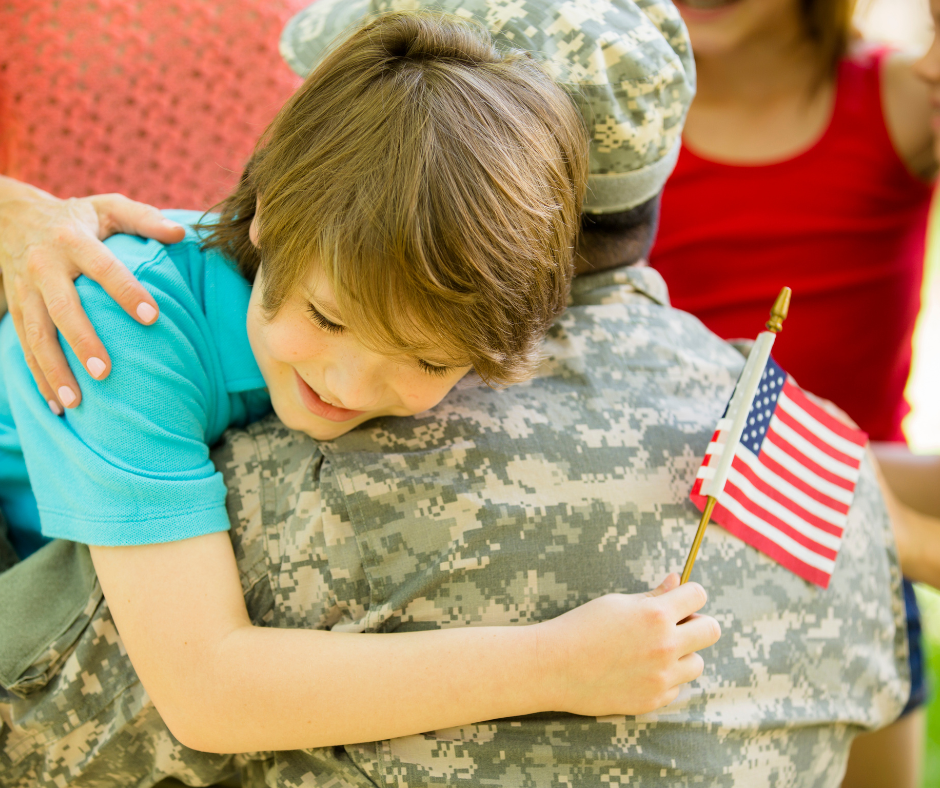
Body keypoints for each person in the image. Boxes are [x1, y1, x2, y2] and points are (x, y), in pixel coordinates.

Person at [0, 2, 912, 787]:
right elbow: (206, 689)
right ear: (280, 206)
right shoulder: (120, 330)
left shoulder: (390, 289)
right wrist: (556, 665)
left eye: (430, 362)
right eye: (325, 316)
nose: (349, 385)